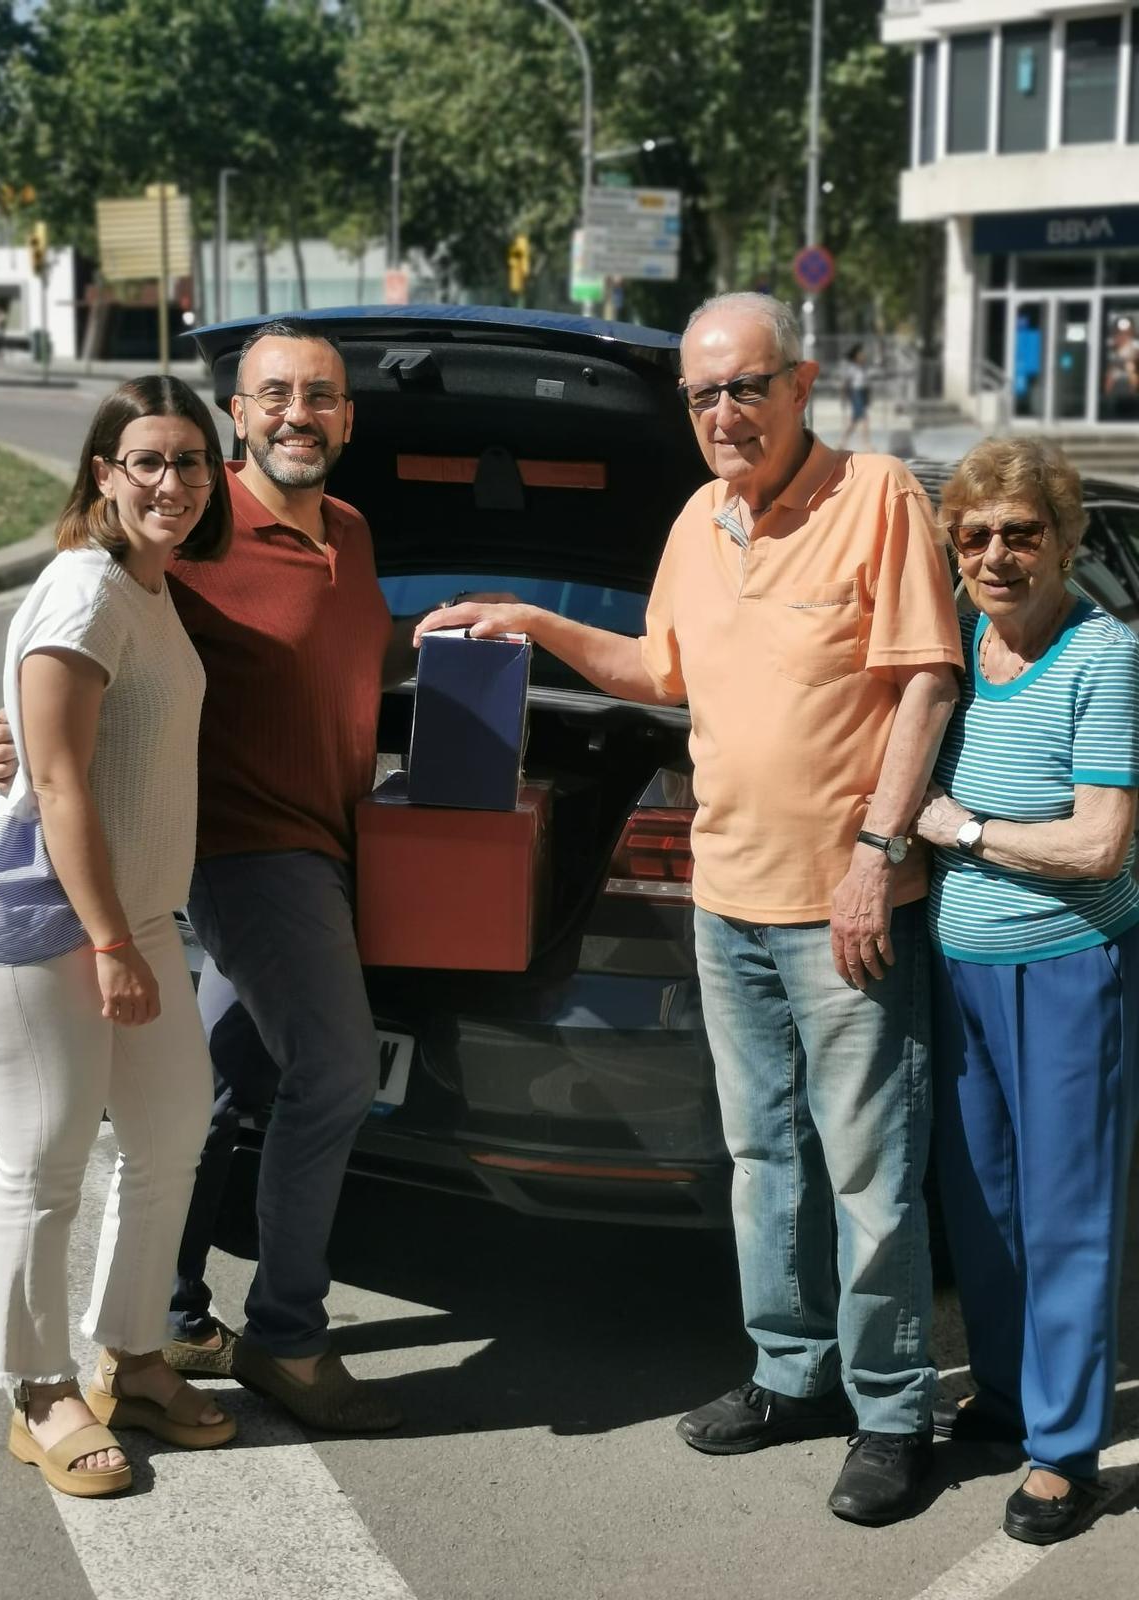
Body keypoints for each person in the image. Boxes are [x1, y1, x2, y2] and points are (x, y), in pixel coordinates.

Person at [414, 292, 963, 1525]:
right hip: (725, 901)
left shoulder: (877, 497)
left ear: (803, 380)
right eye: (704, 395)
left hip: (846, 907)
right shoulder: (694, 519)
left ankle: (890, 1411)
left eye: (746, 387)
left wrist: (878, 850)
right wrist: (539, 619)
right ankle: (789, 1375)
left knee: (872, 1171)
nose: (725, 413)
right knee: (764, 1160)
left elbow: (927, 681)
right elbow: (659, 667)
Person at [0, 321, 435, 1431]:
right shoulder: (199, 530)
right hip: (245, 848)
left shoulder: (353, 532)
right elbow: (87, 648)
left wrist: (482, 632)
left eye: (320, 396)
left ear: (349, 417)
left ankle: (167, 1319)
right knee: (329, 1071)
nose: (297, 414)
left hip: (323, 837)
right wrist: (17, 736)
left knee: (204, 1102)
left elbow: (349, 654)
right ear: (239, 411)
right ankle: (287, 1335)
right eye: (273, 394)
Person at [0, 377, 237, 1498]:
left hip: (133, 910)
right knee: (47, 1151)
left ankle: (135, 1357)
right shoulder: (85, 590)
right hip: (41, 919)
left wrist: (129, 928)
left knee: (167, 1134)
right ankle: (36, 1387)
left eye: (192, 463)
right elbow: (57, 779)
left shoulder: (146, 585)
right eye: (149, 462)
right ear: (105, 475)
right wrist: (110, 942)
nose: (173, 483)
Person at [913, 437, 1139, 1545]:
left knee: (1067, 1214)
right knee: (984, 1202)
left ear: (1063, 539)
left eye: (1021, 532)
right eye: (976, 536)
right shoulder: (955, 647)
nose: (997, 555)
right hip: (960, 969)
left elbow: (1100, 845)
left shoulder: (1107, 655)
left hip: (1067, 969)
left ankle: (1065, 1449)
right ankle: (1004, 1393)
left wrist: (965, 830)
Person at [839, 342, 872, 451]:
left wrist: (868, 397)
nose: (863, 355)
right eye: (861, 353)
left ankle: (842, 442)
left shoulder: (863, 367)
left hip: (862, 393)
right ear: (856, 355)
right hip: (856, 393)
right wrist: (844, 398)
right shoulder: (852, 368)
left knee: (854, 421)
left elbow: (866, 383)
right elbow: (846, 383)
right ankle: (866, 445)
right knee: (864, 419)